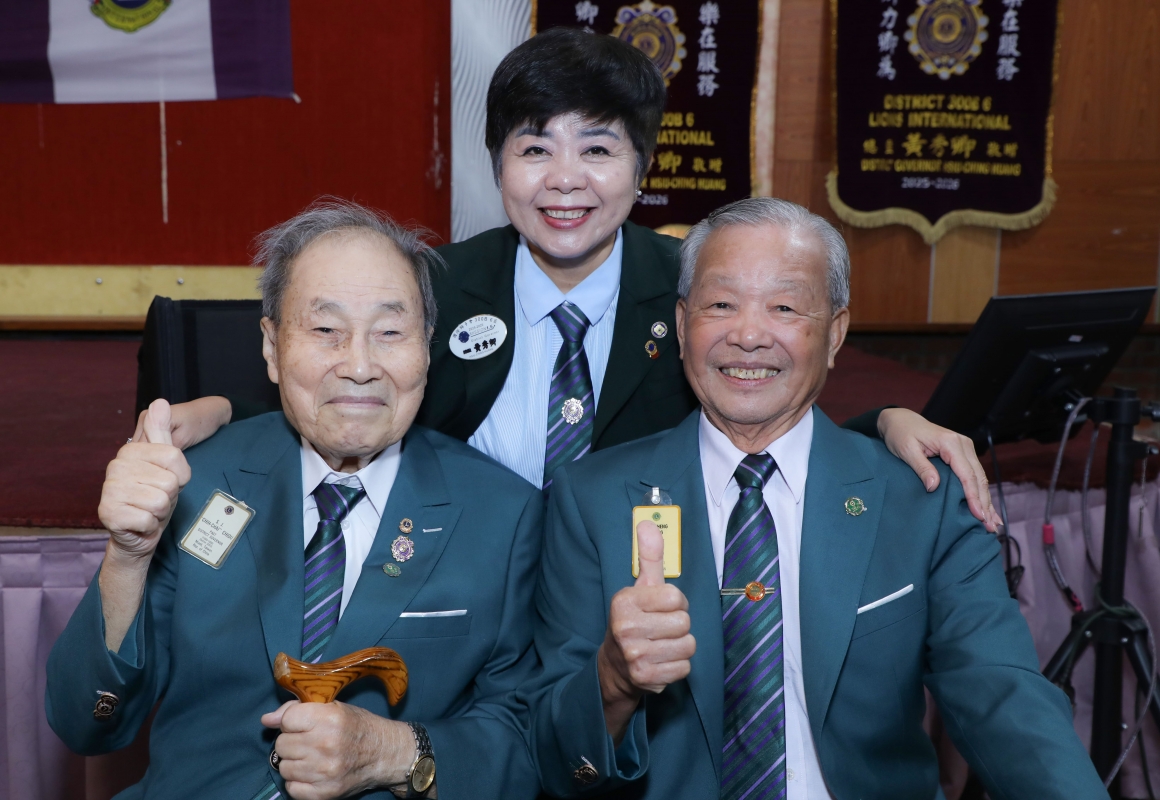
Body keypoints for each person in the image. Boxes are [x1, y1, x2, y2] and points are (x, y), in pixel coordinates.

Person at [148, 27, 999, 528]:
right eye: (533, 149)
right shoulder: (434, 282)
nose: (564, 181)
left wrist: (885, 422)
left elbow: (767, 407)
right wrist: (221, 410)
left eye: (596, 149)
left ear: (642, 167)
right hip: (455, 573)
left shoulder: (695, 286)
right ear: (497, 165)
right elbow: (343, 393)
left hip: (640, 585)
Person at [528, 197, 1107, 799]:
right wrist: (613, 681)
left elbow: (1005, 696)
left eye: (784, 307)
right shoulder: (592, 500)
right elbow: (555, 762)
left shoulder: (920, 498)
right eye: (721, 304)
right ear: (680, 325)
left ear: (835, 333)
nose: (747, 335)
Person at [46, 203, 543, 800]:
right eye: (325, 330)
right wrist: (127, 556)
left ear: (427, 348)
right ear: (272, 347)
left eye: (390, 332)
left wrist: (396, 752)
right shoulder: (196, 483)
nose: (359, 366)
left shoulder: (502, 513)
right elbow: (85, 722)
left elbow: (530, 743)